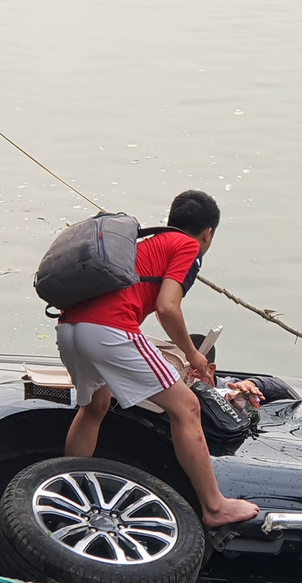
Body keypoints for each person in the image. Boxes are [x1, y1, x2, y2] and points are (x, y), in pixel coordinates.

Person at [56, 190, 259, 528]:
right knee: (187, 407)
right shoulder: (187, 247)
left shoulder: (143, 241)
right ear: (208, 233)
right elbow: (167, 306)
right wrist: (194, 355)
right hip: (108, 330)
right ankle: (214, 507)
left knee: (94, 407)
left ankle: (67, 492)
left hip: (70, 328)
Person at [187, 333, 291, 407]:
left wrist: (252, 384)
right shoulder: (175, 391)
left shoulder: (228, 386)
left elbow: (283, 388)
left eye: (187, 369)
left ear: (210, 369)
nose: (181, 375)